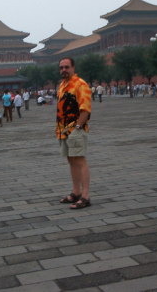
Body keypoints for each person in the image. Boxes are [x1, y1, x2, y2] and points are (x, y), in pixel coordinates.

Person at [56, 57, 92, 210]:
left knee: (80, 160)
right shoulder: (62, 85)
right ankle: (76, 192)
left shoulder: (80, 84)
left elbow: (85, 109)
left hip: (76, 129)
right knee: (71, 160)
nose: (64, 70)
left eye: (66, 67)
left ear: (73, 67)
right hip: (63, 130)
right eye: (61, 67)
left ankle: (85, 196)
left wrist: (77, 127)